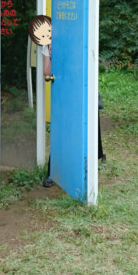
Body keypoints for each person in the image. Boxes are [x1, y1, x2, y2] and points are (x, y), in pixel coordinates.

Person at [27, 15, 105, 187]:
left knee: (87, 124)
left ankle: (90, 162)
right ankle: (53, 172)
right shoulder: (47, 45)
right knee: (61, 129)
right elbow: (47, 72)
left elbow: (81, 65)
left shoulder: (74, 38)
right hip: (62, 89)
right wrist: (50, 52)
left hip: (81, 87)